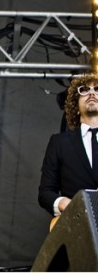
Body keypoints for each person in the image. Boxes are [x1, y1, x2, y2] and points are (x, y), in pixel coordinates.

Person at [38, 73, 98, 218]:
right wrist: (63, 203)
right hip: (78, 226)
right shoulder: (59, 143)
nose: (91, 92)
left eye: (97, 89)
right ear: (75, 107)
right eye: (84, 90)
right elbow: (45, 192)